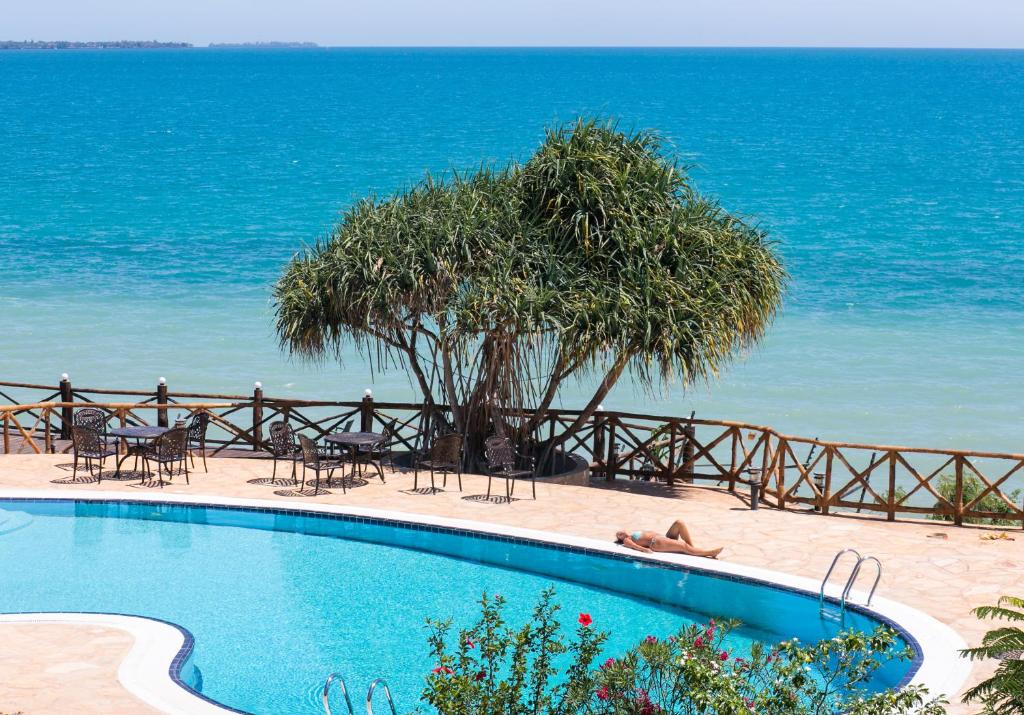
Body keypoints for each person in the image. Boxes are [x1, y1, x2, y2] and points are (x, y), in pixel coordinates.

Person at [615, 519, 722, 559]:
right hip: (656, 543)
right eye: (618, 534)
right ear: (620, 538)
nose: (620, 532)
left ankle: (693, 549)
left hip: (663, 538)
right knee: (683, 546)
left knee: (679, 523)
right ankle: (709, 553)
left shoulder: (632, 534)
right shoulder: (626, 540)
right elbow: (633, 546)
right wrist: (645, 550)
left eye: (619, 532)